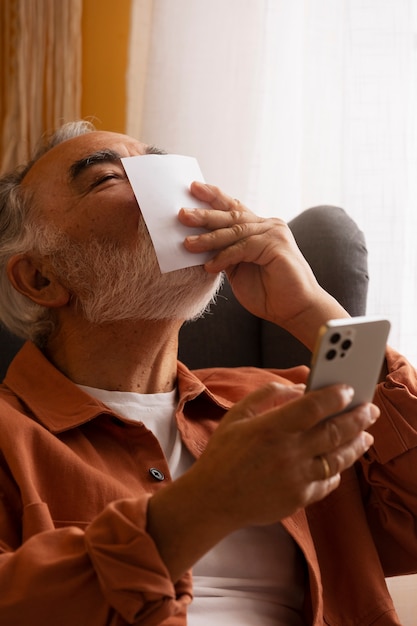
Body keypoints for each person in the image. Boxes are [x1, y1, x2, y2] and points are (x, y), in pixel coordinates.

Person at [0, 121, 415, 626]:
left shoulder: (279, 401)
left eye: (157, 167)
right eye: (108, 178)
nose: (165, 190)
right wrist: (204, 505)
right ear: (41, 277)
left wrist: (312, 313)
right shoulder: (10, 437)